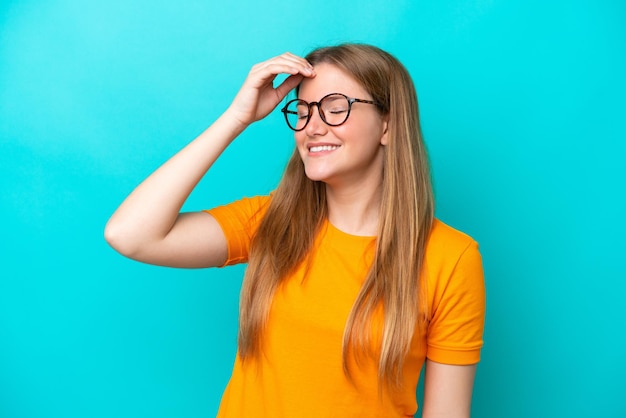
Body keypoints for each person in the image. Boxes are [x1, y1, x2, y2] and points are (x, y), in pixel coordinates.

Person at [105, 43, 485, 418]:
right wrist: (237, 118)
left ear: (389, 123)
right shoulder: (268, 222)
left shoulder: (450, 258)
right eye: (302, 112)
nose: (312, 128)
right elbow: (130, 234)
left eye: (336, 109)